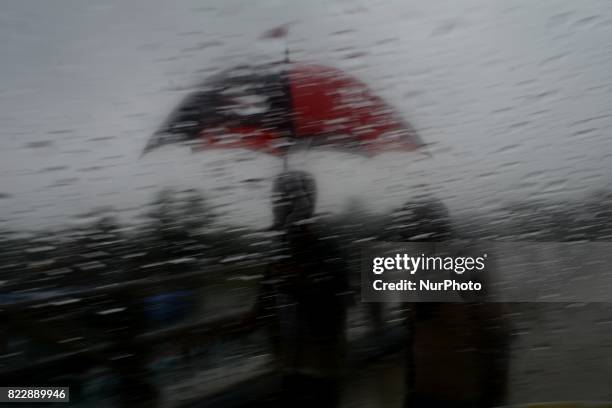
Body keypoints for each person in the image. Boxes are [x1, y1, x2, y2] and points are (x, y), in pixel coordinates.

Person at [247, 170, 352, 408]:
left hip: (320, 352)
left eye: (290, 197)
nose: (280, 203)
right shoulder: (280, 242)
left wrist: (300, 284)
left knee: (322, 396)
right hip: (288, 351)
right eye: (278, 197)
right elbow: (269, 283)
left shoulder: (326, 238)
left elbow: (342, 293)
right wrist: (255, 313)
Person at [394, 198, 511, 408]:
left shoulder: (468, 272)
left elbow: (497, 335)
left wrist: (494, 395)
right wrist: (409, 391)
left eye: (415, 237)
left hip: (464, 396)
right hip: (422, 395)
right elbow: (412, 338)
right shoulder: (411, 278)